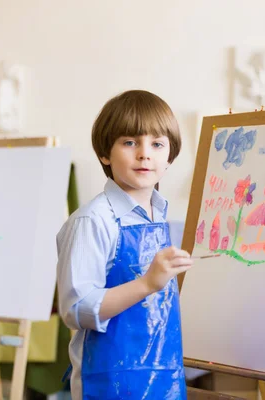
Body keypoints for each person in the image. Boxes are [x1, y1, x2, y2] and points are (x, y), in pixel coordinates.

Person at [57, 90, 193, 399]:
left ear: (169, 157)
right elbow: (76, 310)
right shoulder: (92, 221)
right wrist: (147, 284)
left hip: (164, 377)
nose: (145, 154)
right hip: (109, 383)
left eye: (157, 144)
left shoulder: (159, 214)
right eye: (130, 142)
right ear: (105, 153)